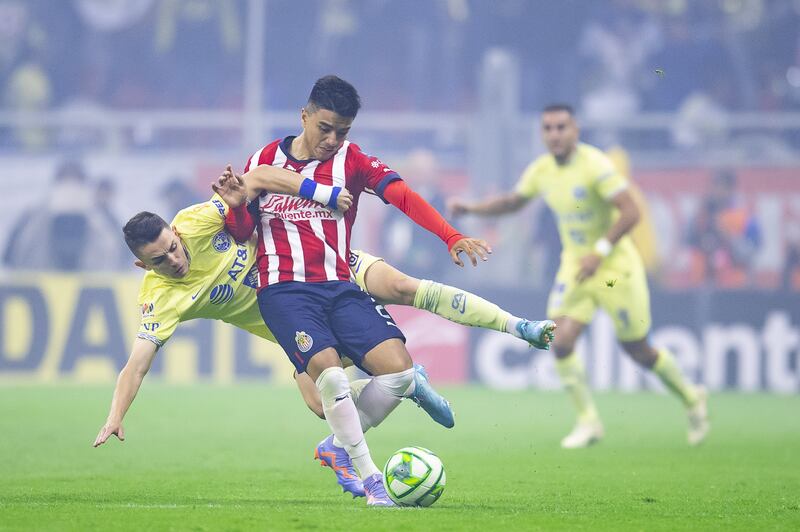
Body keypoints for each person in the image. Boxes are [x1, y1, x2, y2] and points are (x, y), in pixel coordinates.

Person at [93, 166, 555, 496]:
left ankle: (517, 327)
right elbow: (137, 364)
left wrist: (321, 192)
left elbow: (263, 177)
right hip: (293, 319)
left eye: (172, 248)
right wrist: (116, 416)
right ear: (142, 265)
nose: (174, 259)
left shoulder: (195, 220)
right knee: (321, 405)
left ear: (175, 232)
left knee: (402, 286)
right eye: (160, 260)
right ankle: (407, 382)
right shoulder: (162, 297)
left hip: (321, 267)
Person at [221, 75, 518, 507]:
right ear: (304, 116)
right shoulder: (264, 159)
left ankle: (337, 446)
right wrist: (234, 208)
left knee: (399, 372)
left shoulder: (352, 160)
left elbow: (403, 196)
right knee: (331, 374)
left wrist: (450, 236)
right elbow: (245, 231)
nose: (332, 139)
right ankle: (373, 482)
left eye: (343, 131)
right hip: (283, 289)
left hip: (339, 285)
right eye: (325, 128)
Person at [448, 104, 708, 449]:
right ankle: (588, 421)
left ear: (576, 130)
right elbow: (513, 202)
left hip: (614, 266)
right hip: (576, 265)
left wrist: (599, 252)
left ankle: (692, 398)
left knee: (637, 349)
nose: (555, 135)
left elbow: (632, 212)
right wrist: (471, 208)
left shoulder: (597, 165)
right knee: (560, 338)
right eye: (548, 128)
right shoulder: (542, 169)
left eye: (561, 127)